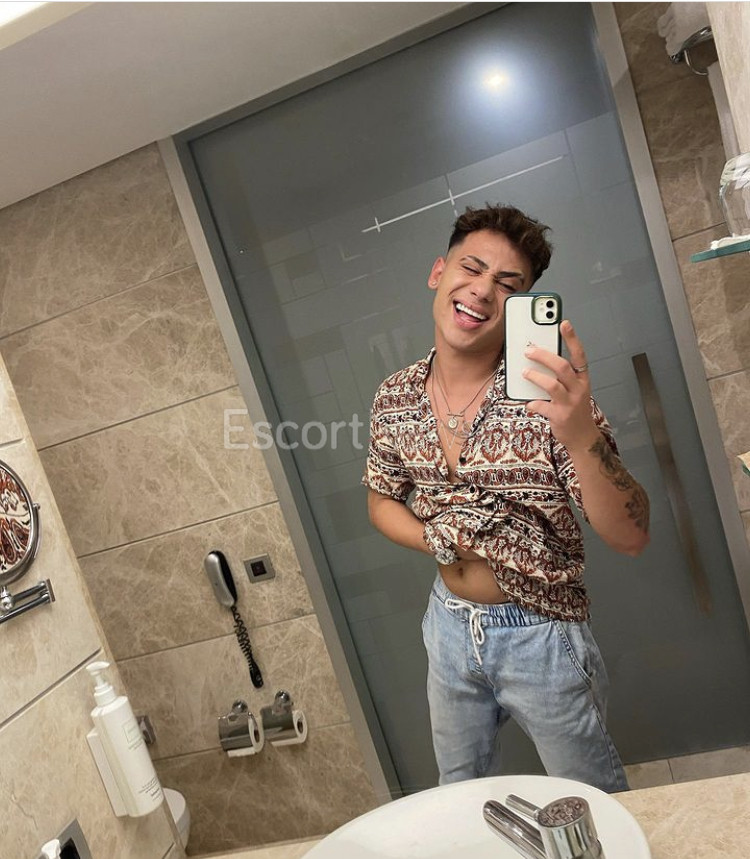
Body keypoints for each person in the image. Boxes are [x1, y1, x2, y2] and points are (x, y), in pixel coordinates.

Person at [362, 204, 649, 793]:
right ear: (438, 273)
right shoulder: (395, 396)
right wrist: (439, 539)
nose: (482, 290)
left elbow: (631, 536)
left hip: (540, 632)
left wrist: (579, 433)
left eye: (507, 284)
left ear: (521, 306)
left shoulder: (549, 399)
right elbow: (381, 501)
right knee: (458, 793)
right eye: (471, 268)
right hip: (446, 625)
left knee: (589, 796)